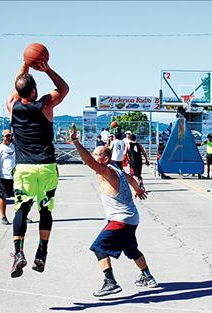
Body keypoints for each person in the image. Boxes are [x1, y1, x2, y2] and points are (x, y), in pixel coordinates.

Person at [69, 125, 157, 297]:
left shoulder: (108, 171)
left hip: (121, 219)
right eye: (94, 153)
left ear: (105, 158)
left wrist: (75, 141)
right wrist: (138, 190)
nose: (94, 156)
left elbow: (89, 162)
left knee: (99, 247)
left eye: (97, 154)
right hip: (130, 218)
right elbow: (131, 178)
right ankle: (147, 276)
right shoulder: (117, 169)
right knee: (131, 249)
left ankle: (110, 282)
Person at [6, 60, 69, 278]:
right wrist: (47, 69)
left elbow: (17, 89)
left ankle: (18, 253)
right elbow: (64, 89)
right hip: (47, 167)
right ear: (34, 90)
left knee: (21, 209)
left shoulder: (12, 106)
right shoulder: (44, 106)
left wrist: (24, 64)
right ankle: (42, 251)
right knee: (45, 210)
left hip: (24, 168)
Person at [0, 129, 16, 225]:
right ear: (3, 137)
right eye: (6, 135)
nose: (8, 137)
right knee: (3, 197)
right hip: (4, 177)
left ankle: (22, 216)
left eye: (10, 135)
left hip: (16, 177)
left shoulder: (15, 147)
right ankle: (3, 217)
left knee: (20, 197)